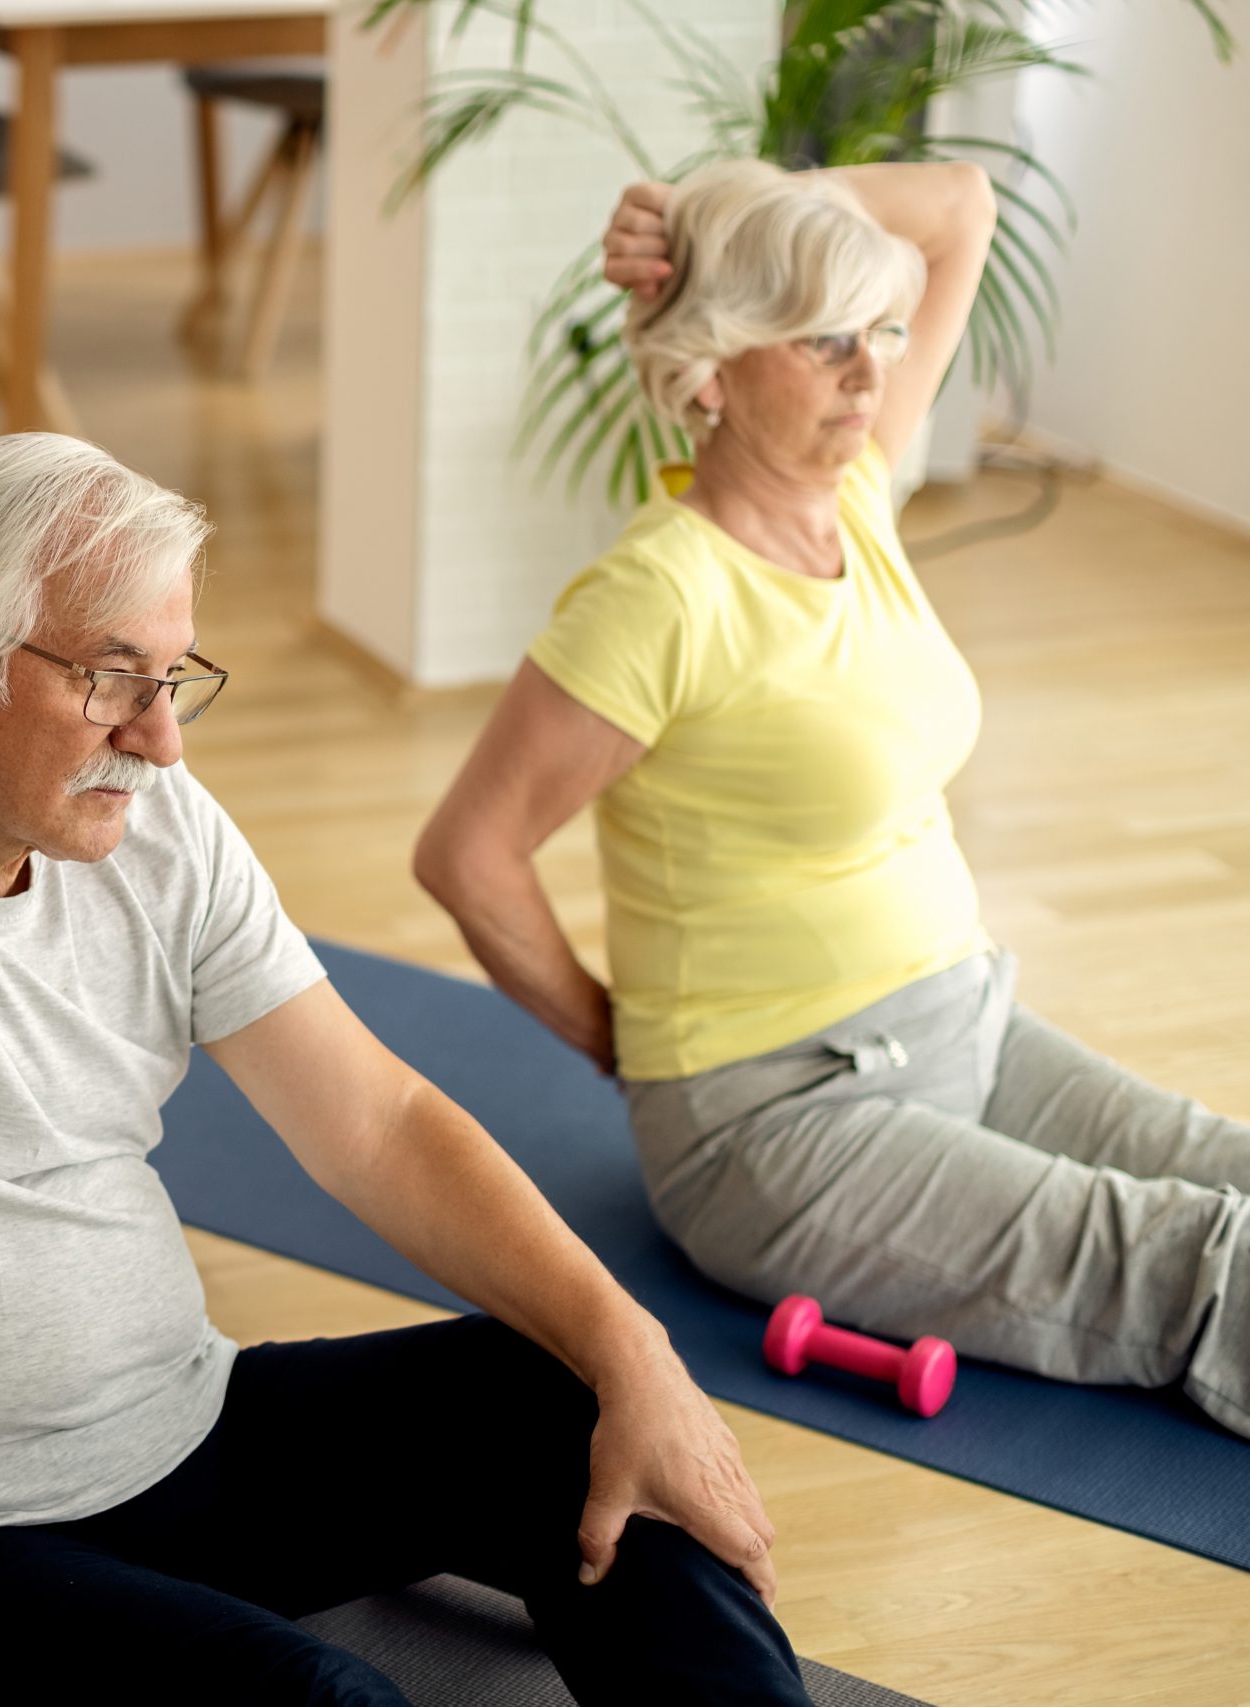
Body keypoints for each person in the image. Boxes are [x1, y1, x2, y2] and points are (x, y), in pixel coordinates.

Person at [0, 433, 814, 1705]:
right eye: (111, 679)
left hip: (176, 1439)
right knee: (317, 1700)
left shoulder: (154, 827)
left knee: (574, 1402)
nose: (160, 740)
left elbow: (377, 1125)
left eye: (173, 677)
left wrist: (637, 1356)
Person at [413, 158, 1248, 1438]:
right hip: (782, 1120)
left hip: (964, 1024)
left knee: (1231, 1169)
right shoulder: (660, 599)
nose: (867, 373)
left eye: (877, 333)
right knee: (1195, 1258)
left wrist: (712, 203)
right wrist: (625, 1046)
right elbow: (467, 855)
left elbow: (959, 207)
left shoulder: (854, 497)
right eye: (821, 340)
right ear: (710, 369)